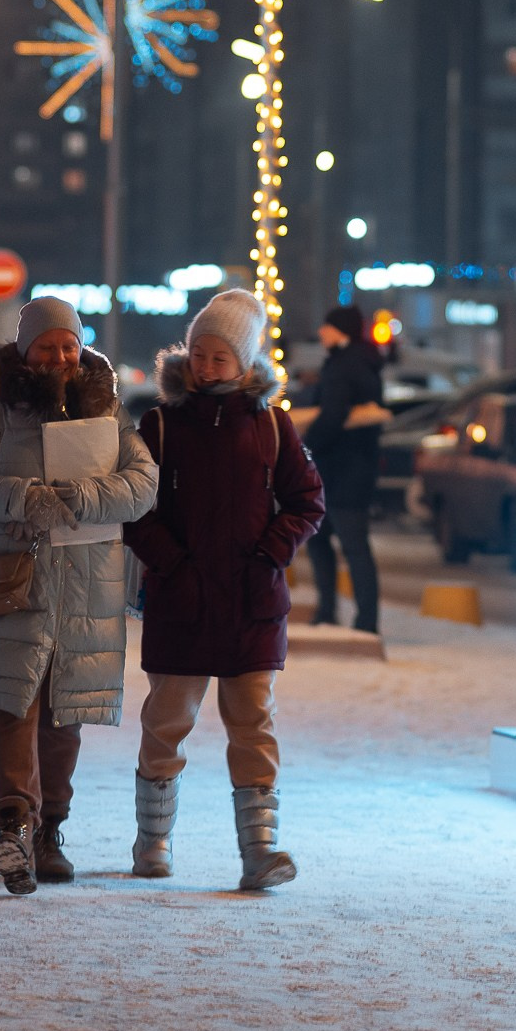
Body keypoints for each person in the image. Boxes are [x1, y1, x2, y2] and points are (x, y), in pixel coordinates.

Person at [0, 297, 154, 896]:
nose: (58, 356)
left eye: (68, 345)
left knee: (65, 717)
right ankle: (12, 826)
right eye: (45, 346)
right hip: (13, 583)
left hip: (85, 586)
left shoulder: (107, 412)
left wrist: (86, 495)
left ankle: (48, 831)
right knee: (14, 708)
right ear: (24, 351)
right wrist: (21, 497)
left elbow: (142, 485)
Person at [124, 289, 325, 892]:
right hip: (182, 604)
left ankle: (259, 851)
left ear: (245, 363)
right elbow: (137, 510)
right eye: (200, 353)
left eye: (220, 357)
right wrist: (174, 565)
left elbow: (306, 500)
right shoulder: (159, 424)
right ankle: (153, 841)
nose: (207, 366)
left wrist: (270, 553)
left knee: (253, 725)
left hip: (250, 604)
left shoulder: (270, 425)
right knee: (166, 723)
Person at [300, 304, 386, 637]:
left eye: (327, 326)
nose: (321, 332)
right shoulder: (365, 363)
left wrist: (306, 448)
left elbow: (332, 416)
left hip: (338, 472)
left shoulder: (342, 366)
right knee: (351, 545)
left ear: (341, 331)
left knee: (335, 545)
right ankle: (357, 617)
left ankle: (339, 615)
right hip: (356, 469)